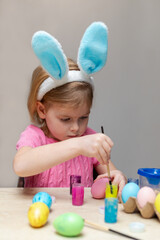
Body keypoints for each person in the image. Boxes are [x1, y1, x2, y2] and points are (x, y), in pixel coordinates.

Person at [13, 22, 126, 195]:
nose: (76, 128)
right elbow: (21, 166)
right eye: (66, 119)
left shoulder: (90, 138)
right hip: (42, 220)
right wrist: (79, 145)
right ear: (42, 110)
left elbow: (111, 175)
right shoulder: (35, 137)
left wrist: (116, 177)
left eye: (83, 117)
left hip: (82, 219)